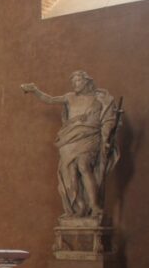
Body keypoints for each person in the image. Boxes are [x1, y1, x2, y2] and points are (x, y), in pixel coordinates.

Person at [21, 70, 119, 219]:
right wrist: (35, 90)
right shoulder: (69, 97)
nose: (75, 84)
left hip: (89, 136)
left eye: (78, 81)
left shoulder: (99, 99)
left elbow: (108, 120)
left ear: (86, 81)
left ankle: (95, 206)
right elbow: (50, 100)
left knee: (83, 165)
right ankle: (79, 206)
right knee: (70, 170)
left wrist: (105, 138)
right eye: (73, 82)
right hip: (69, 138)